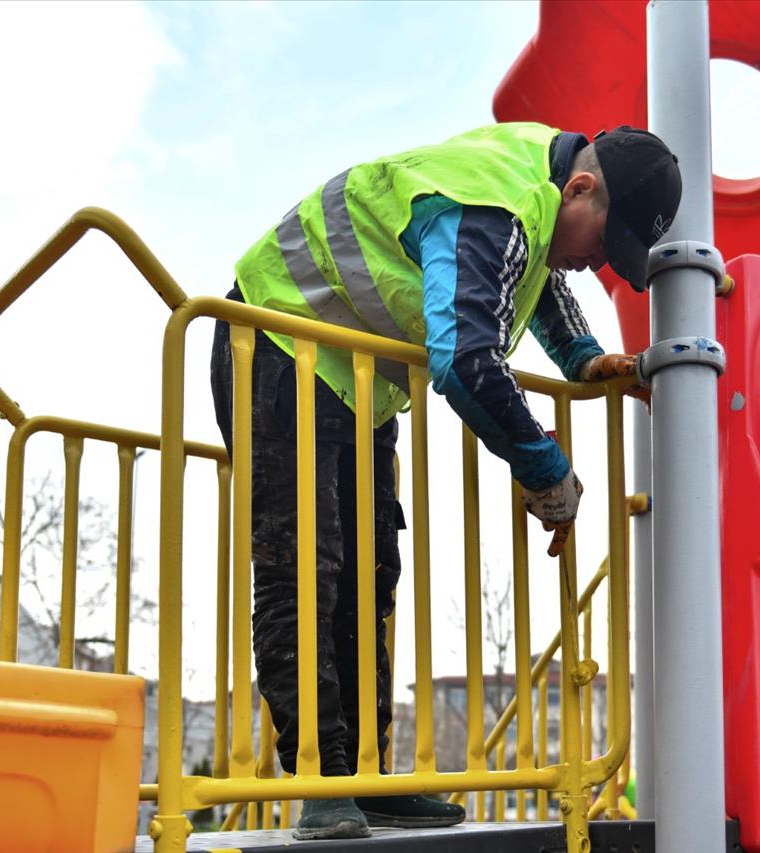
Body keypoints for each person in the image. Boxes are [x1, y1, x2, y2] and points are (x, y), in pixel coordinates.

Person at [209, 122, 681, 840]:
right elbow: (464, 359)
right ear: (580, 188)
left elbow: (534, 277)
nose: (595, 264)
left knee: (368, 576)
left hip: (350, 377)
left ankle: (364, 773)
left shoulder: (537, 186)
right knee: (306, 568)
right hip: (275, 339)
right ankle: (320, 776)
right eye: (601, 244)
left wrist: (583, 357)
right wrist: (545, 470)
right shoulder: (497, 201)